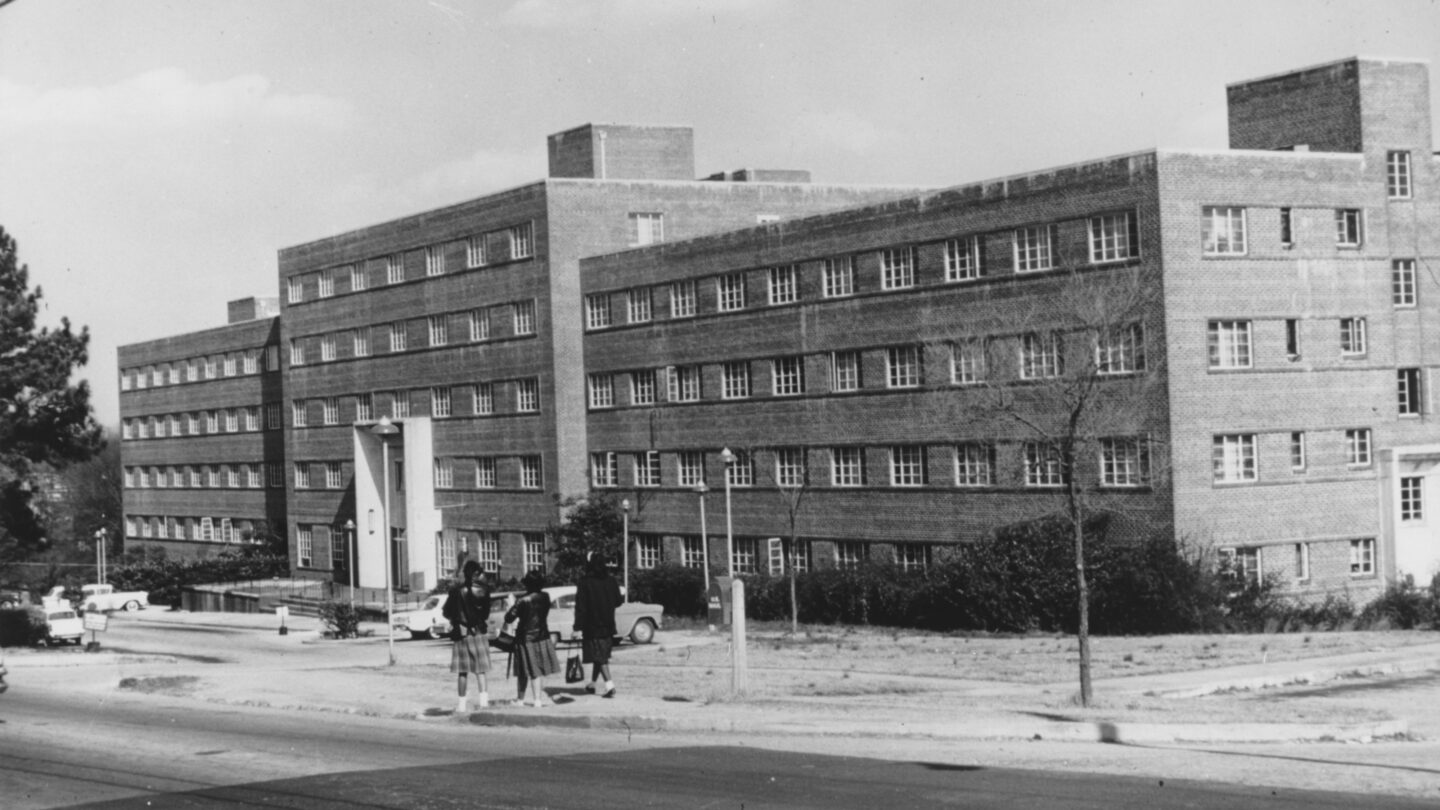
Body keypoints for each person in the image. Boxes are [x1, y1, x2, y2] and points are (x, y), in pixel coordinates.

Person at [504, 569, 559, 707]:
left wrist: (510, 606)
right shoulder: (546, 596)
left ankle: (521, 700)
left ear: (527, 584)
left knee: (524, 670)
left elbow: (509, 618)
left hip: (525, 638)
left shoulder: (522, 600)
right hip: (542, 635)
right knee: (537, 671)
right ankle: (537, 700)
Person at [442, 559, 492, 713]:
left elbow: (446, 611)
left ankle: (461, 705)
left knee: (462, 672)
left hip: (461, 634)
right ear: (477, 573)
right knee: (480, 670)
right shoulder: (484, 590)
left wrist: (454, 620)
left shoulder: (455, 591)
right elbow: (485, 614)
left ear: (465, 574)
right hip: (477, 633)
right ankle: (483, 703)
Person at [572, 553, 622, 697]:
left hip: (591, 626)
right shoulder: (611, 580)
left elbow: (580, 607)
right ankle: (592, 684)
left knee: (600, 657)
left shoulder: (584, 581)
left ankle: (610, 686)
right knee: (600, 655)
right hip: (608, 624)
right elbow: (618, 601)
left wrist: (577, 627)